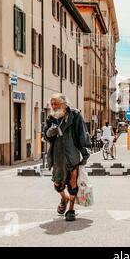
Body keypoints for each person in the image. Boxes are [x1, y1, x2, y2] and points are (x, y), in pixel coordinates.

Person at [43, 93, 91, 222]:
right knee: (57, 183)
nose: (53, 106)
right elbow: (46, 137)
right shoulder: (50, 118)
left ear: (63, 104)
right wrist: (49, 132)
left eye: (56, 104)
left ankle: (71, 209)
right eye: (52, 104)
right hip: (57, 156)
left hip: (72, 155)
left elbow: (82, 133)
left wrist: (85, 151)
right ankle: (63, 198)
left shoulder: (75, 115)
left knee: (73, 183)